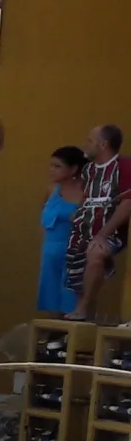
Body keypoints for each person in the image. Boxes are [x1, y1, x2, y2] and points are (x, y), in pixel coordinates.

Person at [71, 126, 127, 318]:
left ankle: (84, 308)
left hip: (109, 233)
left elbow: (127, 204)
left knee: (96, 255)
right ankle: (82, 324)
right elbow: (85, 199)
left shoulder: (124, 167)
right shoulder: (88, 170)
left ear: (103, 144)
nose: (85, 144)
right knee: (76, 273)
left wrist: (102, 234)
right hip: (81, 230)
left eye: (89, 140)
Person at [41, 147, 87, 316]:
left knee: (71, 294)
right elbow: (44, 215)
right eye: (51, 165)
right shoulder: (52, 189)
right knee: (51, 295)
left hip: (73, 250)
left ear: (73, 169)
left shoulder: (85, 192)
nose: (52, 170)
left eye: (57, 166)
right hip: (50, 249)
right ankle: (54, 335)